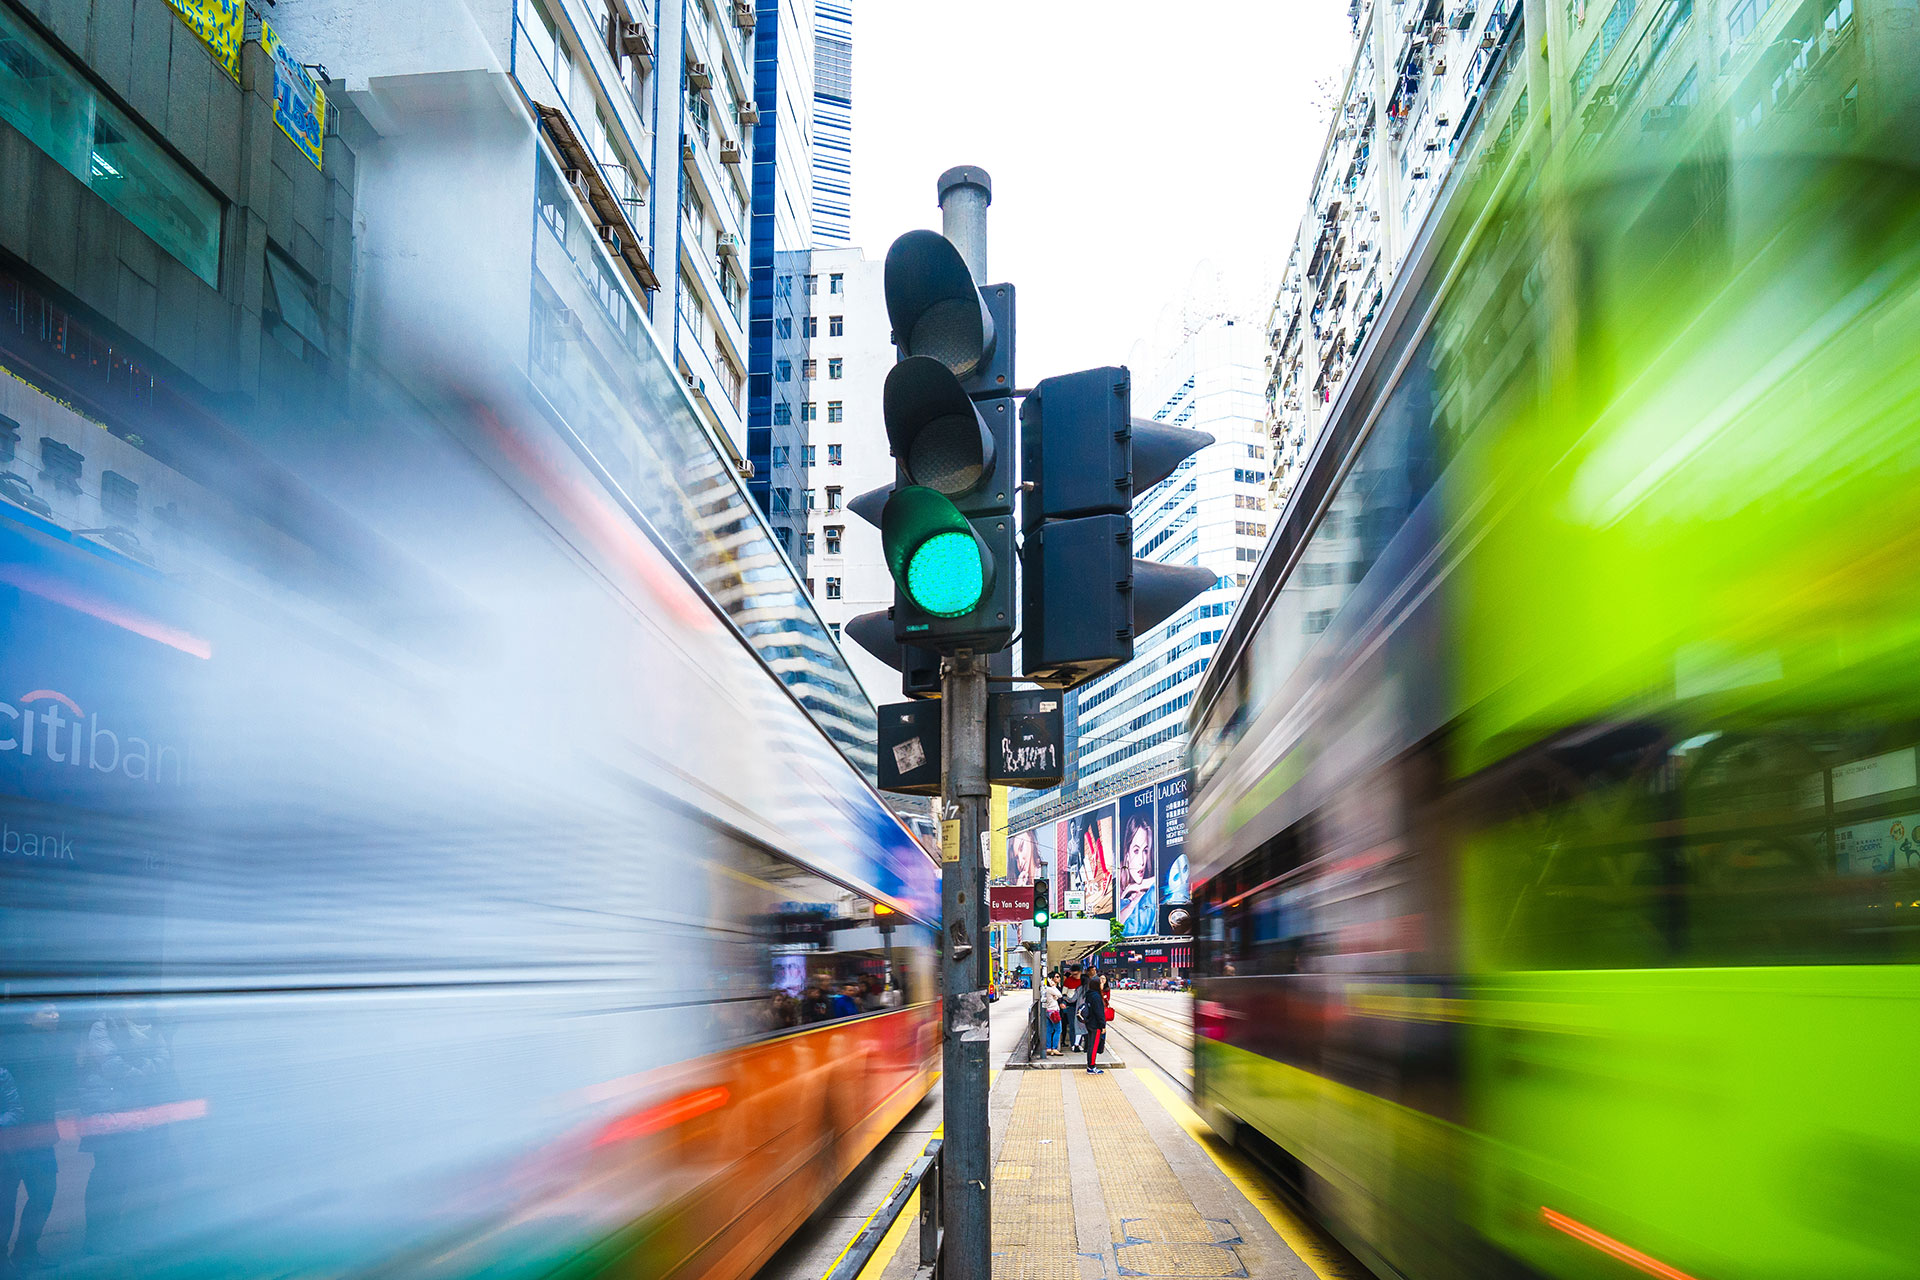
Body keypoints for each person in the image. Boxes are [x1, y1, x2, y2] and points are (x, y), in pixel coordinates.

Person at [3, 1002, 68, 1271]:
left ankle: (25, 1251)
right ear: (30, 1019)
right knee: (6, 1200)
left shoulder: (53, 1045)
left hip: (39, 1134)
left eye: (56, 1011)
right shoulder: (15, 1046)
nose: (56, 1015)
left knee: (43, 1193)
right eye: (48, 1012)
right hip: (14, 1136)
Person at [1081, 975, 1109, 1074]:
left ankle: (1091, 1065)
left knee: (1091, 1045)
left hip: (1089, 1023)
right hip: (1095, 1025)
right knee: (1093, 1046)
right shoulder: (1096, 996)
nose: (1102, 984)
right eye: (1100, 983)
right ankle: (1091, 1067)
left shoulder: (1089, 994)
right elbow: (1099, 1013)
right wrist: (1102, 1026)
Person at [1041, 975, 1062, 1055]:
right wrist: (1053, 986)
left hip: (1047, 1011)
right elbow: (1059, 995)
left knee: (1049, 1030)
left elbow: (1055, 997)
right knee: (1058, 1030)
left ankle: (1048, 1048)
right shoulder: (1050, 989)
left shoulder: (1044, 989)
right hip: (1054, 1011)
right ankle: (1054, 1048)